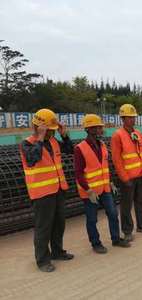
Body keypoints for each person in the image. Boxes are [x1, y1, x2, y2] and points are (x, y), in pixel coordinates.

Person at [19, 108, 74, 272]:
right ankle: (42, 260)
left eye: (52, 131)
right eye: (49, 131)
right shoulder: (27, 144)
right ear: (38, 128)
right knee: (43, 227)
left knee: (59, 224)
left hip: (58, 190)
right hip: (42, 194)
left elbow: (70, 150)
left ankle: (57, 251)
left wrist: (64, 136)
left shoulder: (54, 142)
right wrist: (41, 138)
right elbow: (32, 159)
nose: (51, 133)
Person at [74, 114, 130, 253]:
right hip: (91, 191)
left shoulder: (103, 146)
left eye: (100, 127)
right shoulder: (80, 148)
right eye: (98, 127)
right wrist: (88, 190)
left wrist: (110, 182)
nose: (101, 130)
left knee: (112, 213)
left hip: (105, 188)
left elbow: (104, 166)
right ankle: (95, 243)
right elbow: (79, 173)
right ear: (89, 129)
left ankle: (116, 239)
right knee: (92, 219)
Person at [111, 104, 142, 243]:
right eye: (129, 118)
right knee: (126, 205)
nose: (132, 120)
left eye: (133, 117)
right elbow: (116, 160)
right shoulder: (118, 136)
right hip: (128, 177)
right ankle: (127, 231)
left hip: (140, 174)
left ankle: (141, 226)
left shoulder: (138, 134)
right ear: (123, 118)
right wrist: (124, 178)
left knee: (140, 202)